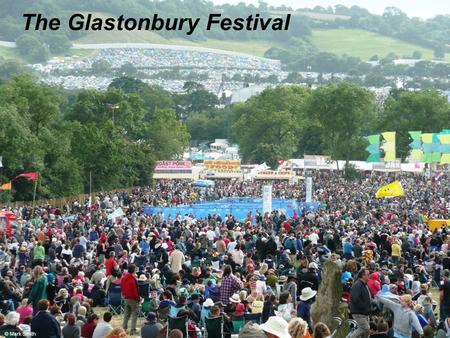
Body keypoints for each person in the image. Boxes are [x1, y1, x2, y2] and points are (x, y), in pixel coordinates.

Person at [349, 268, 372, 338]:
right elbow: (354, 298)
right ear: (363, 276)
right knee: (366, 328)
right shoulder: (357, 285)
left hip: (364, 313)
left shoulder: (364, 284)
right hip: (359, 313)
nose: (369, 276)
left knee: (365, 331)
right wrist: (364, 307)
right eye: (368, 274)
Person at [121, 264, 140, 335]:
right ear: (134, 270)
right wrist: (138, 299)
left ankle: (124, 328)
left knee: (126, 314)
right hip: (133, 299)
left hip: (126, 298)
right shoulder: (132, 279)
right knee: (134, 315)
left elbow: (122, 287)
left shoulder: (124, 278)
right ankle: (132, 330)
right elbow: (135, 291)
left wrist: (124, 295)